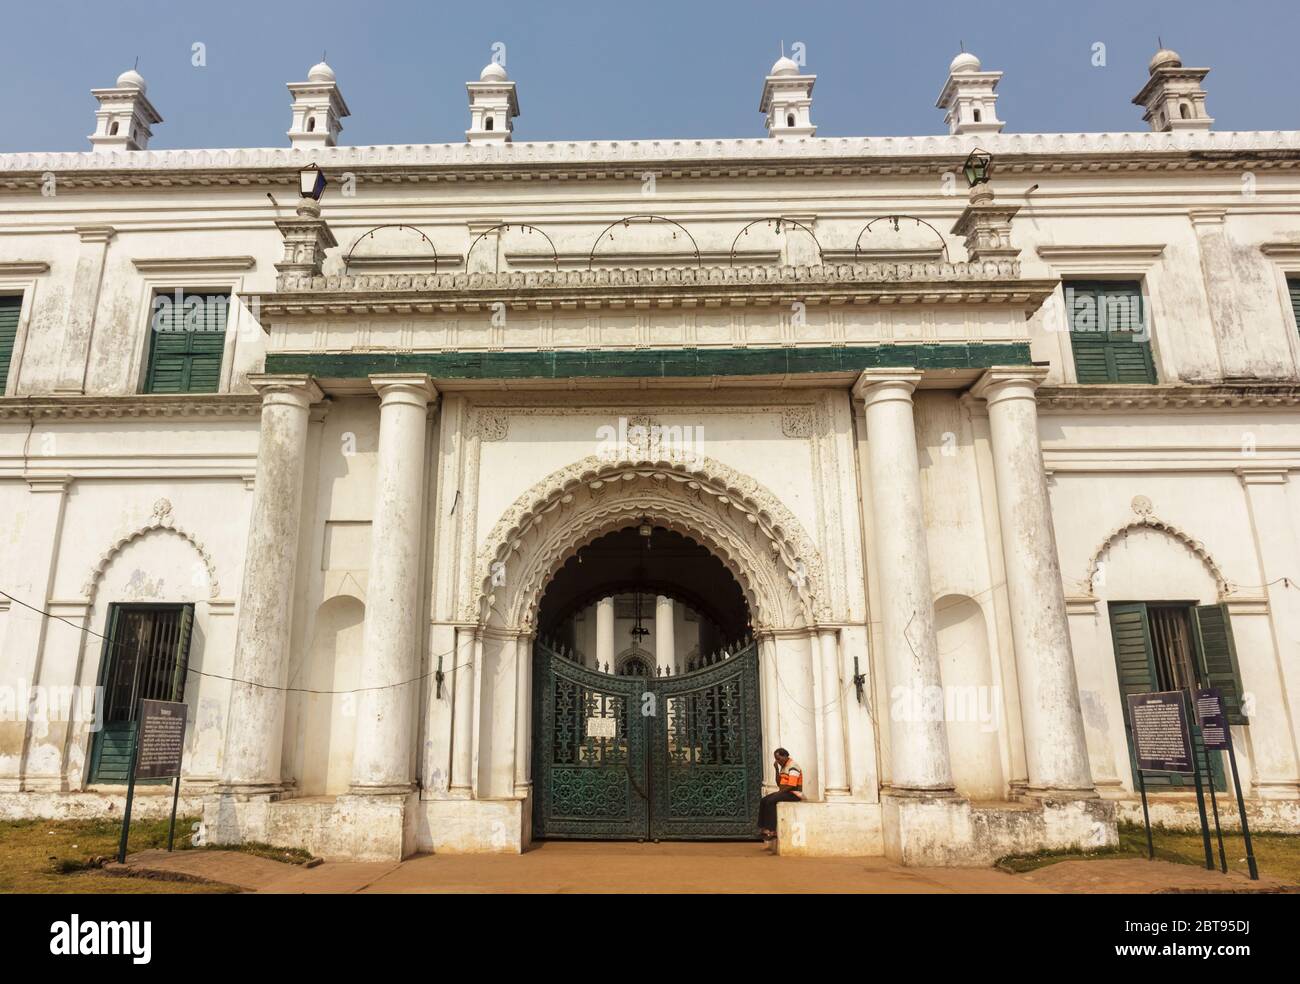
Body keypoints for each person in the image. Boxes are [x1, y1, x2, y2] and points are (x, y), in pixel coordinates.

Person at [758, 747, 802, 842]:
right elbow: (779, 783)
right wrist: (777, 770)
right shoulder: (784, 767)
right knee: (764, 800)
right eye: (776, 759)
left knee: (771, 801)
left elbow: (792, 785)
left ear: (785, 756)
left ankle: (772, 830)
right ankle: (763, 828)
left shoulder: (793, 766)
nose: (777, 761)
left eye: (779, 758)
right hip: (785, 792)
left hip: (794, 794)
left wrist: (779, 793)